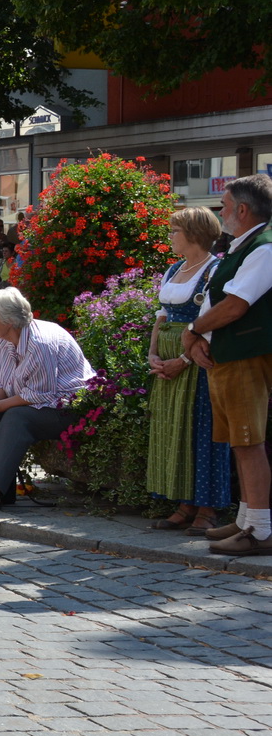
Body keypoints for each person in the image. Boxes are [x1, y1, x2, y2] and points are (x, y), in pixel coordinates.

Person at [0, 287, 94, 510]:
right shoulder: (6, 338)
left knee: (16, 417)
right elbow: (4, 382)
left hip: (67, 408)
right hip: (40, 402)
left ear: (9, 321)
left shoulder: (40, 344)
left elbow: (37, 396)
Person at [183, 175, 272, 556]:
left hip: (246, 355)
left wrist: (193, 331)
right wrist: (200, 337)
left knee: (249, 442)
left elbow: (237, 305)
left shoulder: (264, 247)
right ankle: (247, 519)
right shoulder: (247, 245)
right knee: (240, 440)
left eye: (224, 205)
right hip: (231, 354)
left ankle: (262, 530)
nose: (220, 211)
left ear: (242, 209)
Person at [146, 207, 232, 534]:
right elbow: (162, 316)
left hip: (198, 364)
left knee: (203, 432)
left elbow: (212, 324)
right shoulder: (173, 269)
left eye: (174, 231)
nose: (170, 236)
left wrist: (182, 360)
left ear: (194, 233)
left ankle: (207, 509)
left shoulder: (215, 270)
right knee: (175, 432)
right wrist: (153, 354)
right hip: (168, 364)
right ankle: (184, 504)